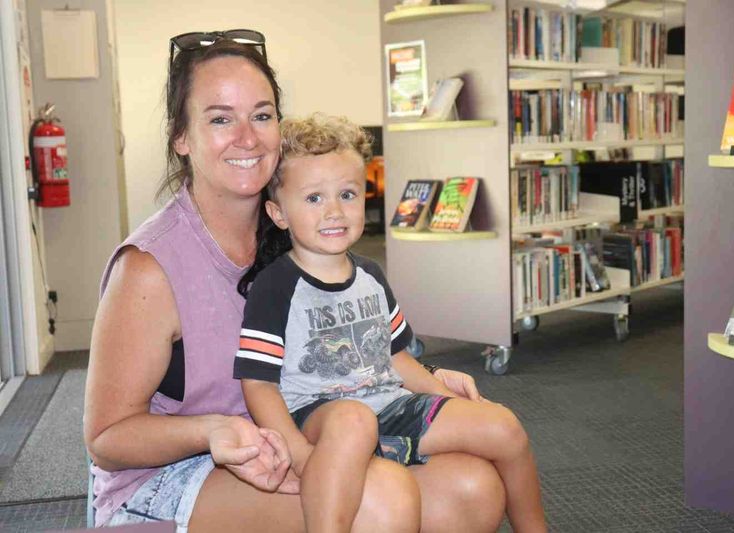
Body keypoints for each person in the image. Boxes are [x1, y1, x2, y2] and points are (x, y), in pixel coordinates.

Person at [83, 30, 508, 532]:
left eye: (261, 116)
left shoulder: (299, 225)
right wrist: (213, 431)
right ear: (181, 136)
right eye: (220, 119)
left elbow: (334, 344)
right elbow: (108, 438)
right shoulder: (150, 267)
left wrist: (429, 377)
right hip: (177, 472)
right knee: (381, 499)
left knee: (474, 487)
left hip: (304, 434)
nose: (246, 137)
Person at [234, 113, 547, 533]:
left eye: (347, 194)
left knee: (503, 426)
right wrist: (294, 449)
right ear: (278, 212)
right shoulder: (274, 287)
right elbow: (258, 383)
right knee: (352, 420)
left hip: (390, 406)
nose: (334, 211)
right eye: (313, 198)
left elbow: (397, 358)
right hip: (320, 420)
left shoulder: (370, 275)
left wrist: (444, 400)